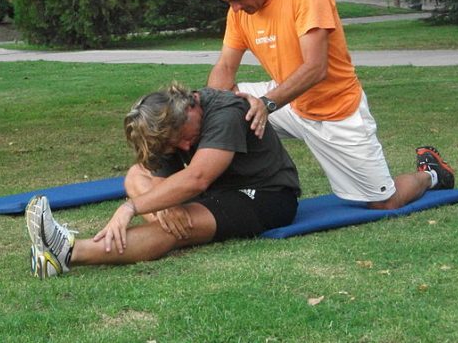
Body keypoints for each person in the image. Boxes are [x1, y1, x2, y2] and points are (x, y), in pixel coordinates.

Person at [204, 0, 455, 211]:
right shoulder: (239, 13)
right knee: (219, 110)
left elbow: (315, 68)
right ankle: (226, 192)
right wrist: (212, 107)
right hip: (288, 103)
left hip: (335, 109)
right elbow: (225, 67)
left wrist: (265, 104)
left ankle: (432, 173)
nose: (236, 7)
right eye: (229, 2)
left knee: (384, 201)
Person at [26, 83, 301, 278]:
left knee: (178, 226)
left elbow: (197, 178)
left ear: (189, 112)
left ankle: (69, 253)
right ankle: (174, 226)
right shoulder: (173, 130)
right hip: (217, 193)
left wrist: (131, 208)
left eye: (184, 137)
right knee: (138, 176)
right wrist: (165, 207)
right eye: (175, 145)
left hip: (267, 196)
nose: (184, 146)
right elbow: (152, 176)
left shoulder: (227, 112)